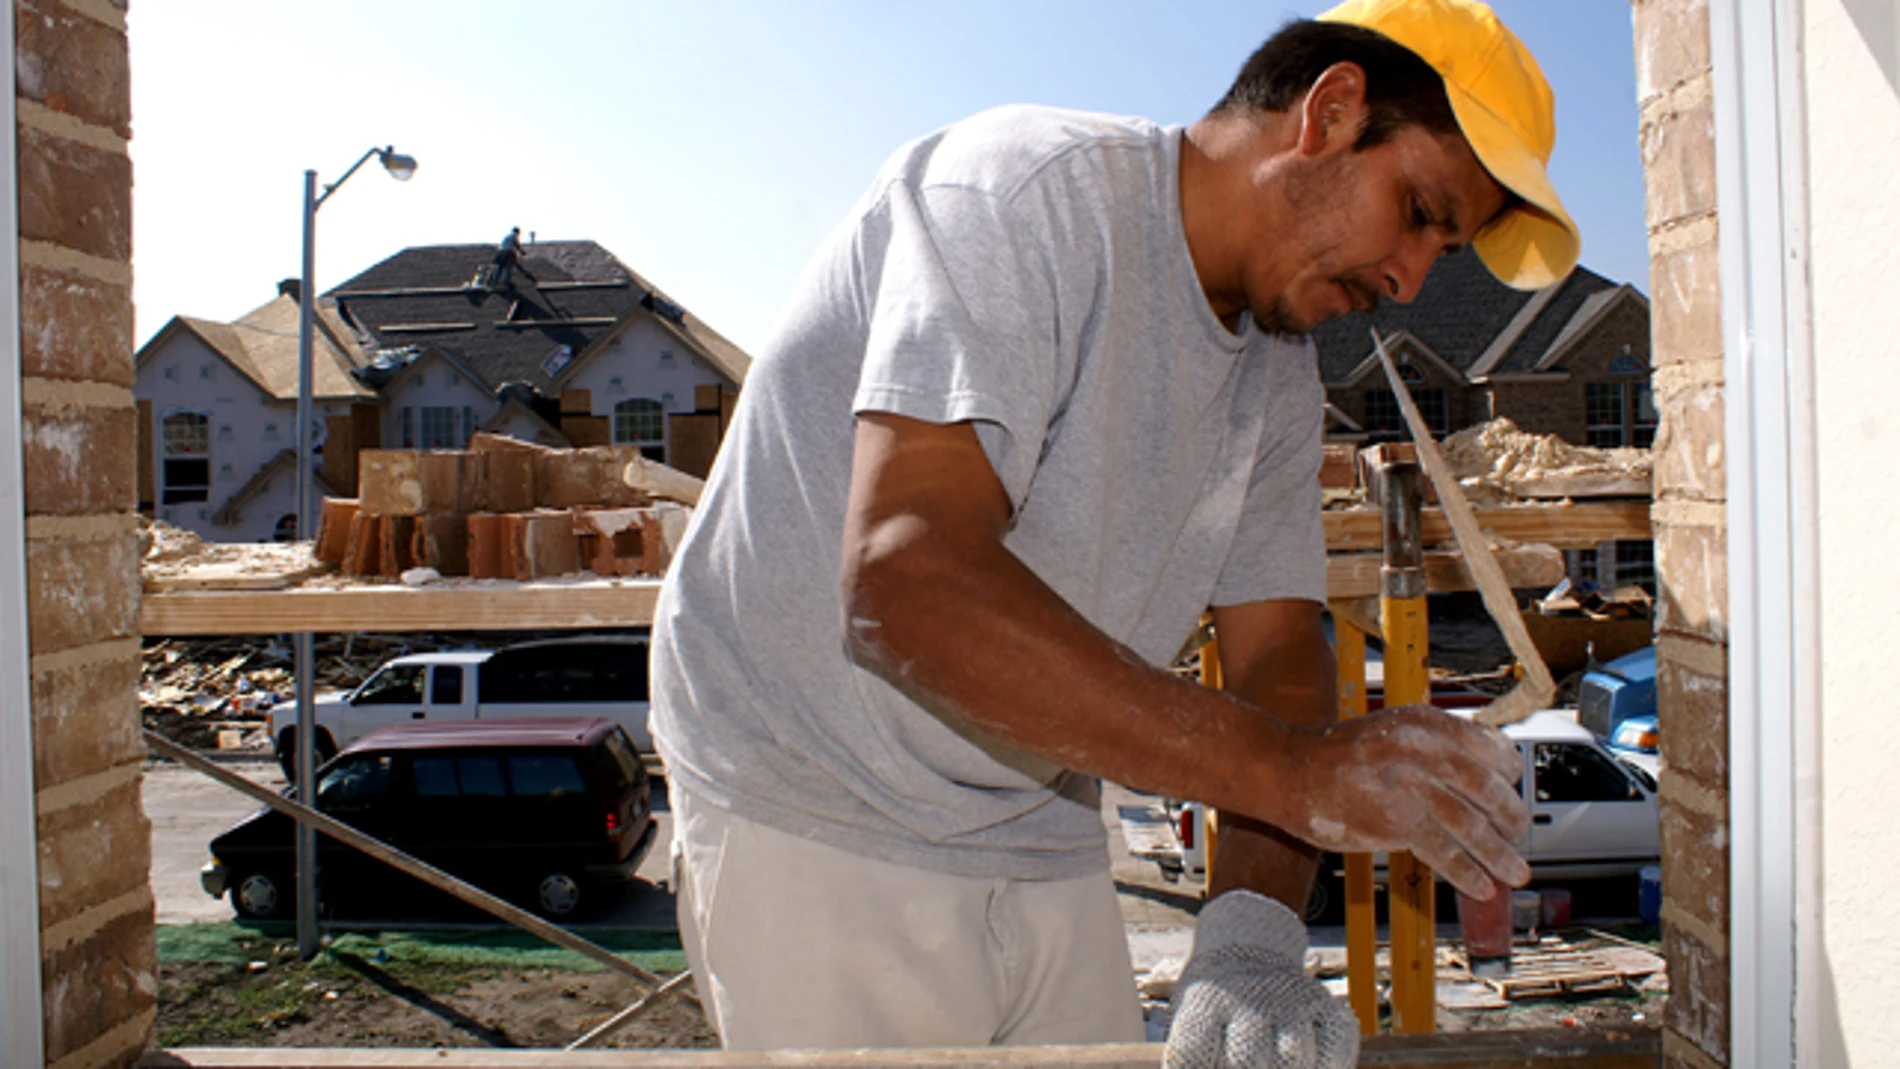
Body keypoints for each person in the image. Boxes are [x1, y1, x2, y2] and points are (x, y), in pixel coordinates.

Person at [649, 0, 1579, 1061]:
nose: (1409, 279)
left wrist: (1252, 935)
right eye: (1417, 210)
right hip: (812, 795)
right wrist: (1292, 773)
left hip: (1034, 809)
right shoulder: (1019, 198)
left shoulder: (1277, 368)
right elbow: (906, 582)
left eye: (1440, 249)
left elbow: (1278, 656)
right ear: (1328, 110)